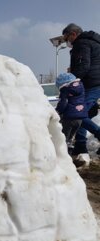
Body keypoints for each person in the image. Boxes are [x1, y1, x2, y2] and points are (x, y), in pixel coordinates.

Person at [62, 23, 100, 156]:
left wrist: (71, 80)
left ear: (73, 34)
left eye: (67, 38)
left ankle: (88, 140)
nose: (67, 42)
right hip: (94, 82)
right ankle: (80, 145)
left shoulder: (82, 43)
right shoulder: (92, 42)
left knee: (77, 113)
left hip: (91, 83)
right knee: (84, 114)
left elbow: (83, 66)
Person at [55, 73, 87, 153]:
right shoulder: (81, 87)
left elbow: (64, 103)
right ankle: (69, 151)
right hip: (80, 117)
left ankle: (64, 154)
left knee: (64, 137)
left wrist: (58, 111)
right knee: (71, 137)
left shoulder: (65, 89)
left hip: (69, 118)